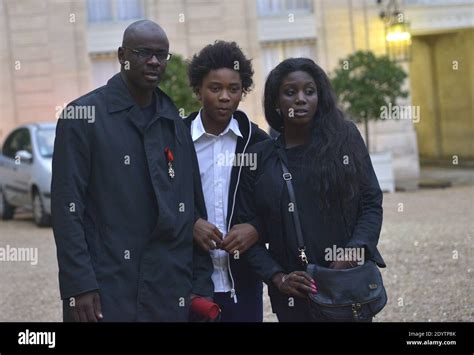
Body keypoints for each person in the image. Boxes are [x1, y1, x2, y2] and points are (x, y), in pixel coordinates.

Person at [51, 20, 213, 322]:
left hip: (166, 289)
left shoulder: (172, 122)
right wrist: (79, 285)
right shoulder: (81, 118)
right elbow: (66, 209)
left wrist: (199, 284)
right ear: (121, 55)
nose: (154, 61)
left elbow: (191, 209)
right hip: (105, 287)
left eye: (161, 55)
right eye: (143, 53)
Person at [236, 58, 386, 322]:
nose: (300, 99)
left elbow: (371, 201)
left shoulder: (345, 138)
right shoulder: (260, 157)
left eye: (309, 91)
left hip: (345, 282)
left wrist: (353, 253)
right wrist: (278, 277)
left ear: (320, 97)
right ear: (276, 102)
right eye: (290, 92)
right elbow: (247, 229)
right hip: (293, 293)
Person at [184, 41, 269, 321]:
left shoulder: (258, 142)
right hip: (191, 284)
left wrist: (257, 229)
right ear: (198, 90)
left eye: (233, 89)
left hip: (244, 284)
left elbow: (278, 205)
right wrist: (190, 224)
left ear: (242, 92)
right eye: (215, 88)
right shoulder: (175, 140)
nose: (224, 97)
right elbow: (154, 200)